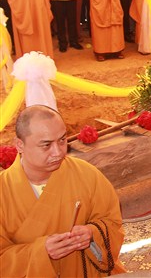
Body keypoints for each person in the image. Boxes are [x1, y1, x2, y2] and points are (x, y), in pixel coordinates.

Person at [0, 105, 125, 277]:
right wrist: (41, 252)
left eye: (62, 140)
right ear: (20, 145)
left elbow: (112, 222)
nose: (58, 152)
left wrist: (92, 233)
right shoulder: (3, 191)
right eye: (46, 145)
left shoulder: (86, 174)